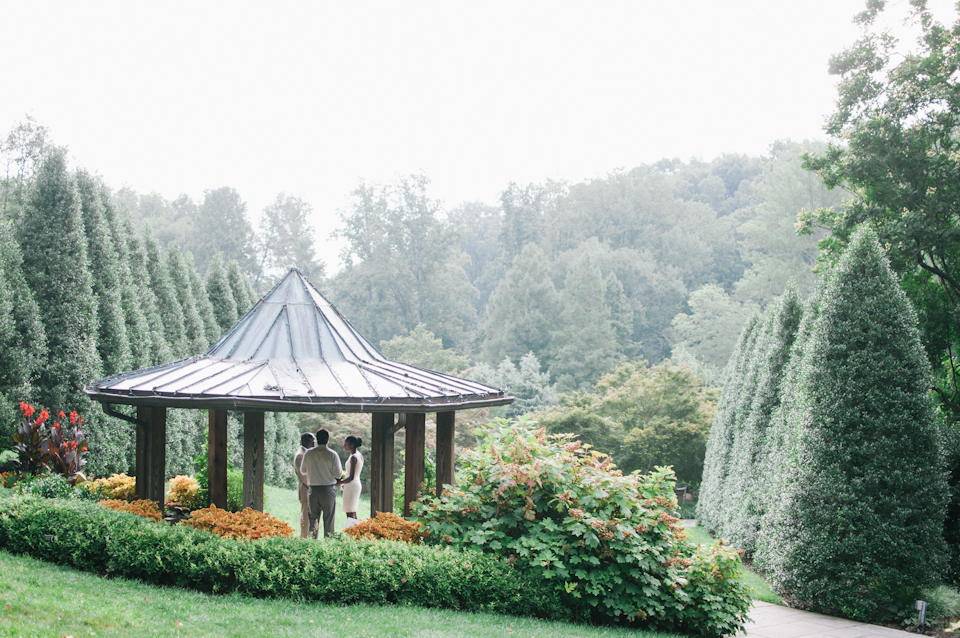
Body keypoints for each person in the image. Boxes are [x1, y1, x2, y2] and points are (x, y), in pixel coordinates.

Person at [299, 428, 342, 538]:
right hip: (328, 490)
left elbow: (303, 470)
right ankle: (328, 544)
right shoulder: (332, 454)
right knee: (328, 519)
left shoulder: (308, 453)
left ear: (317, 439)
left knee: (313, 519)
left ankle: (312, 544)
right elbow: (338, 474)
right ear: (328, 439)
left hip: (313, 489)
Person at [337, 435, 364, 523]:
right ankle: (355, 531)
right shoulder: (358, 455)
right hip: (355, 484)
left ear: (352, 445)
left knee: (350, 511)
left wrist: (340, 482)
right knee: (352, 510)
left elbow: (351, 476)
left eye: (346, 443)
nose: (344, 445)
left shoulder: (353, 457)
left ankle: (352, 531)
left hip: (351, 485)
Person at [293, 432, 315, 538]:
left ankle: (308, 536)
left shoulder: (306, 453)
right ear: (304, 441)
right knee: (306, 514)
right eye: (311, 440)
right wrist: (314, 487)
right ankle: (304, 537)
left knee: (309, 514)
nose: (314, 442)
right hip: (306, 489)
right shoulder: (300, 455)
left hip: (308, 488)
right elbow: (304, 476)